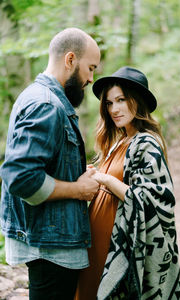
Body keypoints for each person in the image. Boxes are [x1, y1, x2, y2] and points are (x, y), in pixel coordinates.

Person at [0, 27, 101, 300]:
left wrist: (76, 176)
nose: (91, 78)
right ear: (70, 60)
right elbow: (21, 177)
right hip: (51, 249)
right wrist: (78, 190)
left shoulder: (43, 97)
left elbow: (43, 166)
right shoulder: (46, 104)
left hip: (51, 243)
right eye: (90, 68)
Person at [75, 66, 180, 299]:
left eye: (121, 100)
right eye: (110, 103)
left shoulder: (146, 144)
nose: (114, 109)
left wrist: (103, 178)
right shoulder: (119, 141)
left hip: (118, 243)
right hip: (96, 240)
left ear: (137, 100)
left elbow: (151, 199)